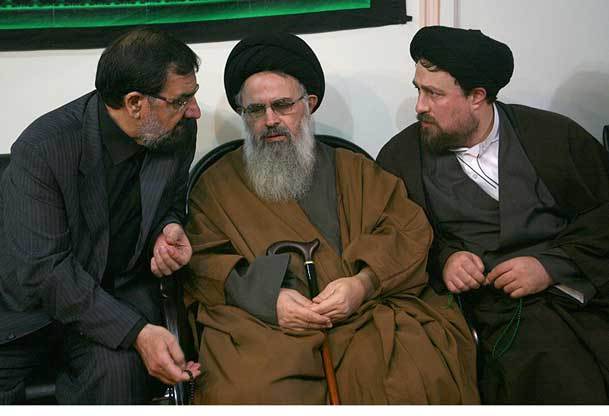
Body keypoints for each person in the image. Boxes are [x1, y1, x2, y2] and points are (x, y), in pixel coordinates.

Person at [183, 32, 479, 404]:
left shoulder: (355, 169)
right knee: (249, 389)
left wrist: (362, 284)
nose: (270, 120)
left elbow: (407, 231)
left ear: (309, 104)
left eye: (282, 105)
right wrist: (268, 300)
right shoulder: (216, 185)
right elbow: (203, 261)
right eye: (255, 110)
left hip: (364, 312)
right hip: (266, 324)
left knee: (412, 371)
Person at [377, 25, 609, 404]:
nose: (419, 106)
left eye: (434, 94)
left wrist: (552, 265)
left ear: (477, 97)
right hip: (494, 310)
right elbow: (394, 240)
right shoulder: (400, 158)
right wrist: (445, 260)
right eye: (418, 90)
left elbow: (603, 216)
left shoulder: (553, 136)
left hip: (584, 289)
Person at [0, 28, 202, 404]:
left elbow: (172, 200)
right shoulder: (43, 149)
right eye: (181, 100)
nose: (194, 110)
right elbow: (45, 272)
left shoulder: (178, 132)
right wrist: (137, 332)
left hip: (112, 299)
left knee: (120, 374)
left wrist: (168, 227)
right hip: (30, 312)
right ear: (135, 103)